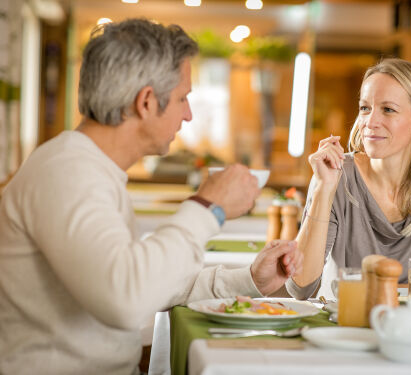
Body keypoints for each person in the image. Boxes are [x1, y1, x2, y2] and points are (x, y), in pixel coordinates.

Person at [0, 19, 302, 375]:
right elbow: (126, 299)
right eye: (181, 98)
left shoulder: (89, 167)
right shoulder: (68, 172)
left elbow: (144, 278)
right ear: (146, 101)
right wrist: (207, 208)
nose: (188, 114)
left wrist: (249, 279)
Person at [286, 58, 411, 304]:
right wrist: (323, 188)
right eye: (365, 108)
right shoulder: (336, 173)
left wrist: (386, 294)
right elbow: (300, 287)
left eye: (388, 109)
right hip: (342, 327)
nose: (369, 122)